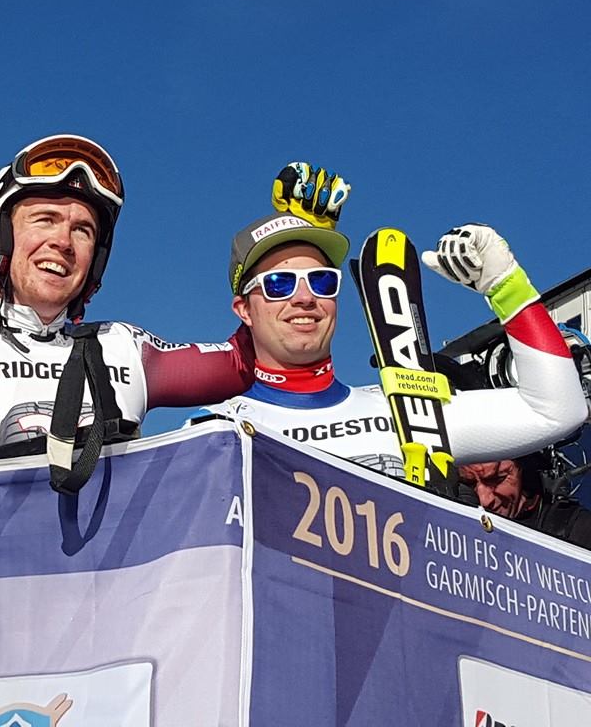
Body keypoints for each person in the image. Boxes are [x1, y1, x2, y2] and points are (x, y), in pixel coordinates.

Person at [0, 138, 320, 472]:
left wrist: (295, 252)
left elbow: (249, 360)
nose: (63, 242)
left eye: (83, 230)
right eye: (45, 219)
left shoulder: (125, 348)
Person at [207, 213, 588, 478]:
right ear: (244, 310)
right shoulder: (220, 428)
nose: (305, 298)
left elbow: (558, 411)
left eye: (322, 281)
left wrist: (506, 285)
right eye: (279, 284)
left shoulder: (409, 413)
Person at [459, 457, 591, 551]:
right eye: (468, 483)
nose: (484, 500)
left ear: (528, 475)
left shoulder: (578, 531)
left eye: (498, 479)